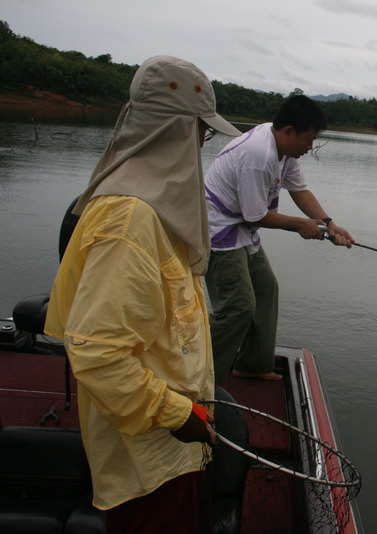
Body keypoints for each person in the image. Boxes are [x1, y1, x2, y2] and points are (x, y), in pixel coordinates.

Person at [44, 55, 242, 534]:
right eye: (201, 132)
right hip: (147, 458)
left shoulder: (152, 210)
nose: (201, 144)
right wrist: (177, 413)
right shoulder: (129, 219)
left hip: (174, 447)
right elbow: (97, 352)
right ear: (177, 130)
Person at [204, 94, 353, 383]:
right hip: (217, 231)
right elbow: (254, 215)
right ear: (288, 132)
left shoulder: (284, 151)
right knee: (238, 307)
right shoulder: (257, 155)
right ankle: (200, 378)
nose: (309, 148)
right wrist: (299, 225)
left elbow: (299, 190)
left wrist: (329, 224)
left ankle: (251, 365)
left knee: (265, 290)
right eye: (307, 140)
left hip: (241, 229)